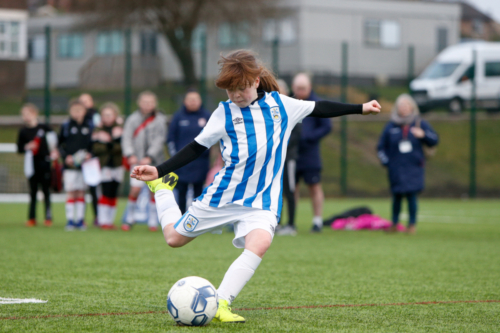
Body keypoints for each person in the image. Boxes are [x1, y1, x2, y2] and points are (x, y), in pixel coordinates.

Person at [131, 49, 381, 323]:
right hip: (223, 196)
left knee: (260, 243)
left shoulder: (281, 105)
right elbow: (195, 147)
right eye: (230, 90)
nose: (236, 95)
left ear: (257, 80)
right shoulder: (223, 113)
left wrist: (361, 108)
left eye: (241, 89)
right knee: (174, 239)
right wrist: (160, 170)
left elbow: (319, 108)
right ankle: (162, 188)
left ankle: (221, 303)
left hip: (262, 201)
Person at [377, 94, 438, 234]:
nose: (403, 109)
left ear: (412, 107)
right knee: (397, 196)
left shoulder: (419, 123)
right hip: (396, 167)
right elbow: (381, 147)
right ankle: (394, 224)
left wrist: (423, 135)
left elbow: (434, 140)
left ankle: (412, 225)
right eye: (400, 106)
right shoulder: (391, 125)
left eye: (406, 106)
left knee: (411, 196)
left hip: (414, 166)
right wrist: (386, 161)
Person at [121, 91, 167, 232]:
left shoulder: (160, 120)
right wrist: (130, 154)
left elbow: (160, 140)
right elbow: (127, 138)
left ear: (155, 104)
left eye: (150, 102)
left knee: (153, 190)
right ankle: (129, 217)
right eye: (144, 102)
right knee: (135, 189)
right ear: (139, 103)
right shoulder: (132, 119)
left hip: (155, 161)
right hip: (137, 161)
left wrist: (150, 156)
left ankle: (153, 220)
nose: (147, 105)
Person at [292, 73, 332, 233]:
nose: (300, 91)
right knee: (291, 188)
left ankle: (317, 221)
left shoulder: (317, 103)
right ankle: (290, 221)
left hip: (310, 153)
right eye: (297, 88)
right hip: (292, 152)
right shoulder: (290, 102)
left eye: (303, 88)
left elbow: (326, 126)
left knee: (314, 186)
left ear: (309, 88)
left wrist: (309, 137)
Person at [167, 90, 211, 213]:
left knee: (198, 192)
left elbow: (213, 139)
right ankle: (180, 217)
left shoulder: (207, 116)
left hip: (200, 162)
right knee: (181, 191)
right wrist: (176, 157)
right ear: (184, 101)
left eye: (195, 99)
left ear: (200, 101)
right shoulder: (178, 117)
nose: (193, 102)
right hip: (182, 163)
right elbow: (171, 138)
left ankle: (196, 218)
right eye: (190, 99)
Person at [16, 103, 57, 227]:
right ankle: (32, 218)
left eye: (28, 113)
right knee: (33, 191)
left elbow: (54, 142)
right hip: (31, 164)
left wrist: (54, 151)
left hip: (44, 162)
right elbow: (19, 149)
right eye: (24, 115)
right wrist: (26, 147)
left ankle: (48, 217)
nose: (26, 117)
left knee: (46, 191)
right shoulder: (23, 131)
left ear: (35, 113)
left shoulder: (44, 128)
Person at [58, 100, 93, 231]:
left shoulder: (89, 126)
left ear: (84, 111)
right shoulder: (66, 126)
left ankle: (80, 220)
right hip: (70, 167)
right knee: (71, 192)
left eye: (80, 110)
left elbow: (92, 145)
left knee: (81, 192)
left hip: (85, 166)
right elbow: (59, 144)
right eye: (74, 110)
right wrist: (65, 157)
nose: (77, 113)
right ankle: (70, 220)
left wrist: (89, 154)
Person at [91, 103, 123, 230]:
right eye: (104, 115)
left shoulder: (120, 130)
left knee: (114, 193)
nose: (107, 117)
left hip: (117, 165)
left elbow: (121, 148)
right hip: (104, 166)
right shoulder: (97, 130)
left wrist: (110, 141)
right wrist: (108, 144)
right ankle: (103, 220)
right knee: (105, 192)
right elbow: (96, 148)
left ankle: (110, 221)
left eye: (109, 115)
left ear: (115, 116)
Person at [276, 79, 301, 236]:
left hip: (288, 158)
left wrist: (280, 145)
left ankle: (291, 224)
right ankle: (276, 223)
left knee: (289, 190)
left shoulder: (293, 107)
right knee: (275, 191)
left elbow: (297, 135)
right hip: (274, 159)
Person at [79, 93, 100, 226]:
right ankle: (80, 218)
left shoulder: (96, 117)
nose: (85, 103)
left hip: (92, 158)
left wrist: (91, 153)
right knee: (80, 189)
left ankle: (97, 216)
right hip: (79, 158)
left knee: (94, 189)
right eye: (82, 101)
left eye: (87, 100)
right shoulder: (76, 119)